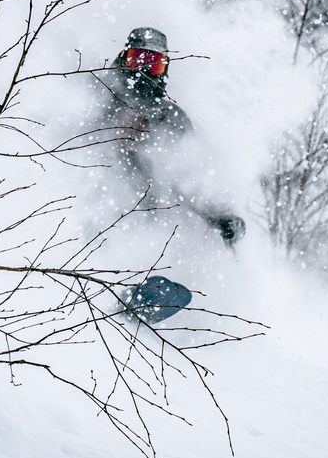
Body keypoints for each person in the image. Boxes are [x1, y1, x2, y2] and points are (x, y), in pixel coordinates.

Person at [97, 27, 245, 325]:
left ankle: (142, 298)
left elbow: (189, 176)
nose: (143, 71)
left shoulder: (170, 118)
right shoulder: (98, 99)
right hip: (91, 206)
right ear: (124, 60)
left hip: (143, 214)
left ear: (164, 70)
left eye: (154, 64)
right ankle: (102, 290)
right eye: (138, 60)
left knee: (166, 245)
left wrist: (221, 216)